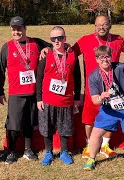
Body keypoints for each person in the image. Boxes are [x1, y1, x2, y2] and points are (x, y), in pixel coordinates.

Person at [71, 15, 124, 159]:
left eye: (104, 24)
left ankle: (105, 145)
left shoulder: (117, 40)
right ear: (94, 26)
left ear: (110, 25)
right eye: (98, 25)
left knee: (112, 113)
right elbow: (70, 53)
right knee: (89, 117)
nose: (101, 27)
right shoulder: (85, 40)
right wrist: (47, 50)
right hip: (94, 87)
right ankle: (89, 144)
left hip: (114, 90)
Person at [0, 16, 51, 164]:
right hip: (16, 93)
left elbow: (54, 46)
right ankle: (11, 152)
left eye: (19, 28)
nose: (16, 32)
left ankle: (27, 150)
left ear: (25, 28)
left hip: (33, 91)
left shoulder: (36, 42)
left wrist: (47, 48)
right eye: (14, 29)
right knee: (13, 124)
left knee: (29, 123)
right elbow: (0, 70)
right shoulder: (6, 47)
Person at [83, 45, 124, 172]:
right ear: (96, 60)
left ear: (111, 57)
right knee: (96, 133)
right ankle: (91, 159)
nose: (105, 60)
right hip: (109, 108)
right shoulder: (93, 76)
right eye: (101, 57)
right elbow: (95, 100)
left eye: (107, 56)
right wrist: (101, 97)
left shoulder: (121, 68)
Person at [36, 26, 81, 166]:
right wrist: (39, 99)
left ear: (65, 39)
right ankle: (49, 152)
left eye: (60, 38)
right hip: (48, 99)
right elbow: (39, 77)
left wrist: (77, 98)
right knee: (47, 127)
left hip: (66, 100)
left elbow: (78, 77)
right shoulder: (46, 54)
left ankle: (64, 152)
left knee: (65, 128)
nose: (57, 41)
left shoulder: (73, 55)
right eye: (53, 39)